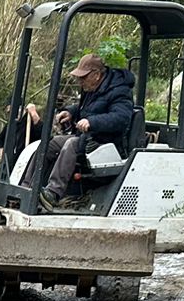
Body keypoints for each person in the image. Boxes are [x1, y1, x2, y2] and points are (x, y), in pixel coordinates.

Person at [33, 52, 136, 203]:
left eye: (83, 77)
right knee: (50, 144)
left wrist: (92, 122)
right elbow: (88, 108)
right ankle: (28, 187)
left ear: (96, 74)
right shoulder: (92, 88)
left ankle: (53, 193)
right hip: (88, 138)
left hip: (107, 142)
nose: (80, 81)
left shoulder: (120, 90)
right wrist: (71, 112)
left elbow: (121, 118)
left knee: (71, 144)